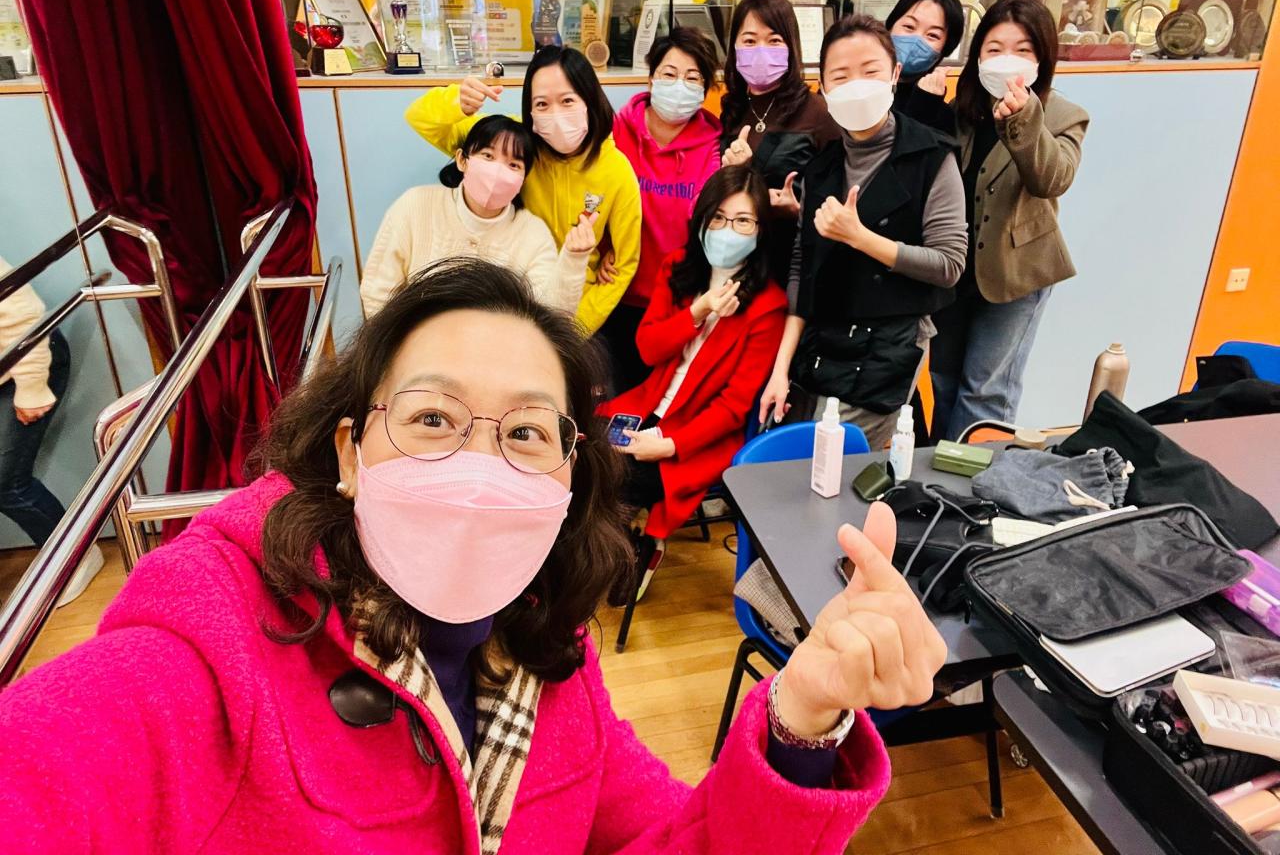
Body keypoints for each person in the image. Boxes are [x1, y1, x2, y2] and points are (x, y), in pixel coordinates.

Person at [0, 258, 947, 853]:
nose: (478, 468)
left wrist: (801, 718)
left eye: (527, 433)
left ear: (569, 476)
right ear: (349, 453)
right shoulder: (208, 651)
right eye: (431, 419)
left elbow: (672, 839)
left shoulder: (552, 656)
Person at [757, 16, 967, 450]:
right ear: (824, 87)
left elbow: (949, 264)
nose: (856, 86)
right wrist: (780, 369)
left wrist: (860, 237)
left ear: (894, 73)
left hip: (889, 344)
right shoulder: (821, 168)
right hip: (820, 340)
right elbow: (801, 272)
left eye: (870, 72)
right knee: (790, 456)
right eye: (841, 76)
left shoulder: (931, 156)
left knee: (837, 460)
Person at [600, 167, 785, 598]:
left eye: (743, 220)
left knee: (618, 478)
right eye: (718, 217)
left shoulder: (768, 305)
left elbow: (733, 406)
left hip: (697, 434)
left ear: (760, 229)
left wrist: (670, 445)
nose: (727, 230)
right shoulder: (678, 268)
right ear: (701, 219)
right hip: (648, 404)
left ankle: (638, 544)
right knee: (581, 455)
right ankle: (615, 543)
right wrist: (697, 312)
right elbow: (647, 349)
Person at [911, 0, 1089, 440]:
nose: (1007, 59)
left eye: (1022, 50)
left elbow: (1053, 178)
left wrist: (1024, 118)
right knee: (943, 382)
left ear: (1042, 58)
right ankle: (940, 470)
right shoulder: (963, 110)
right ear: (977, 57)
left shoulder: (1064, 115)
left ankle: (973, 478)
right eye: (994, 49)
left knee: (986, 394)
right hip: (955, 272)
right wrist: (926, 107)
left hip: (1014, 276)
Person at [405, 46, 642, 334]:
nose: (555, 114)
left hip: (577, 312)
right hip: (509, 302)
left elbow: (624, 264)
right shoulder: (513, 146)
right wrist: (455, 101)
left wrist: (575, 329)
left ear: (589, 100)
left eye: (567, 100)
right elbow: (420, 119)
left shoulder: (617, 170)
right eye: (542, 104)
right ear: (530, 110)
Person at [360, 116, 597, 316]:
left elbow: (551, 314)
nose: (498, 170)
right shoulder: (414, 205)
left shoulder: (533, 233)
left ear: (522, 180)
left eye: (514, 165)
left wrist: (574, 258)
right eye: (488, 156)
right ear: (462, 160)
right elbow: (377, 292)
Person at [599, 27, 723, 393]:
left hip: (678, 302)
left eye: (693, 78)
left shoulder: (714, 146)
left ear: (705, 89)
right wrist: (599, 249)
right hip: (618, 294)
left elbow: (710, 221)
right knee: (616, 402)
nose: (679, 85)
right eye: (669, 73)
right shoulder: (614, 132)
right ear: (651, 78)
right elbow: (593, 196)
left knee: (662, 404)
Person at [718, 0, 843, 279]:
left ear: (791, 45)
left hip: (793, 263)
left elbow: (839, 199)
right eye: (749, 41)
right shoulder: (732, 108)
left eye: (774, 40)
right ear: (734, 47)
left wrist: (798, 210)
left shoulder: (819, 113)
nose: (761, 50)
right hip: (736, 260)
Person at [0, 258, 102, 604]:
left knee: (6, 482)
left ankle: (76, 557)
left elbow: (22, 316)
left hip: (28, 358)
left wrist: (31, 387)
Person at [884, 0, 964, 124]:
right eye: (909, 26)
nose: (916, 40)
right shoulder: (861, 86)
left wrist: (925, 105)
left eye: (932, 35)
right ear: (890, 27)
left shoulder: (942, 114)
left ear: (945, 49)